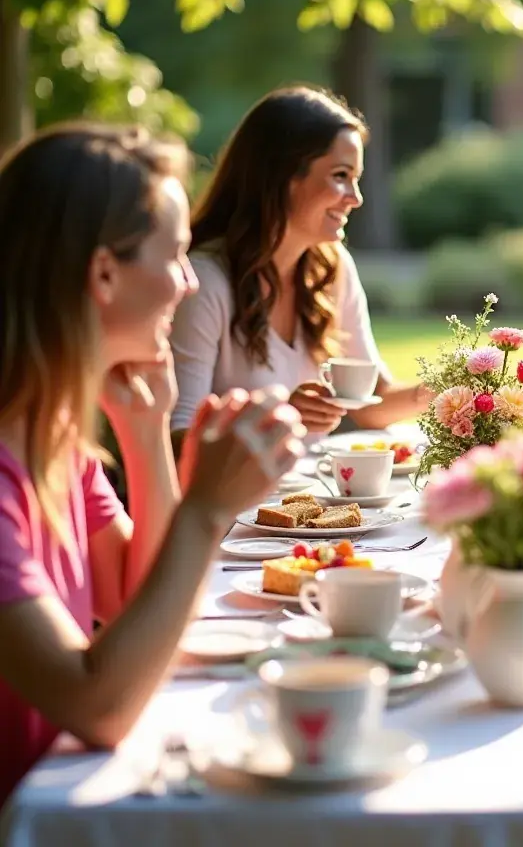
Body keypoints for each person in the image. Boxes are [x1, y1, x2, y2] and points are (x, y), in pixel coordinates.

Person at [0, 123, 306, 804]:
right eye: (176, 256)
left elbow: (143, 604)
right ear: (104, 273)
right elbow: (99, 707)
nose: (190, 283)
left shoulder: (52, 441)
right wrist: (205, 507)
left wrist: (142, 434)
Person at [169, 85, 431, 445]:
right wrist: (277, 420)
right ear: (283, 176)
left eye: (356, 179)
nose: (356, 199)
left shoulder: (332, 268)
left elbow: (372, 402)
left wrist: (447, 389)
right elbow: (175, 436)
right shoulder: (205, 283)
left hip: (306, 498)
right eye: (340, 176)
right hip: (238, 503)